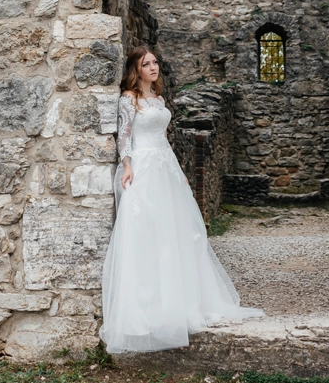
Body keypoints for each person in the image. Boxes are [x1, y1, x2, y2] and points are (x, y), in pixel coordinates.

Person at [100, 45, 264, 353]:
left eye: (155, 62)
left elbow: (163, 137)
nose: (153, 67)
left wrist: (178, 169)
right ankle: (147, 309)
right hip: (143, 168)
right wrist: (127, 166)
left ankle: (181, 302)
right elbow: (123, 135)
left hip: (165, 167)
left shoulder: (159, 99)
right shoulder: (128, 100)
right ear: (136, 70)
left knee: (176, 232)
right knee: (145, 232)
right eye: (146, 64)